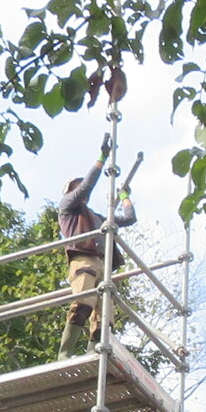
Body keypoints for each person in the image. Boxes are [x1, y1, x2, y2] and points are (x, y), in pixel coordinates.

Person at [56, 151, 135, 355]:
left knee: (104, 316)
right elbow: (86, 186)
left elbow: (129, 218)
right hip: (83, 259)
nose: (82, 189)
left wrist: (125, 197)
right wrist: (101, 159)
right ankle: (65, 353)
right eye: (77, 186)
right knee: (83, 303)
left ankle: (94, 353)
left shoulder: (97, 217)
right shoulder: (67, 207)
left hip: (102, 264)